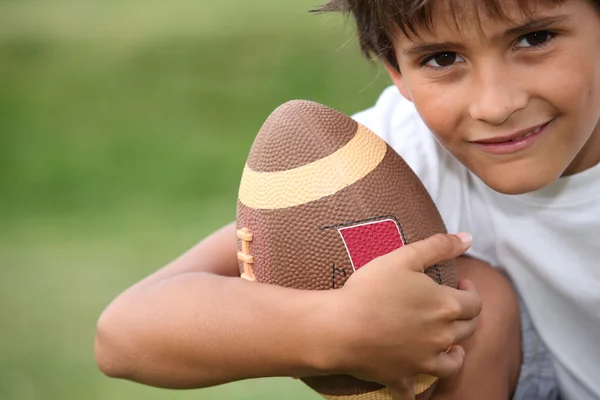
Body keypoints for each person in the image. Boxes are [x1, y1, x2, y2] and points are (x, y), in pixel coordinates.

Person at [94, 0, 600, 399]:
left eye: (535, 39)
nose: (495, 105)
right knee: (464, 300)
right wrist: (340, 327)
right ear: (396, 71)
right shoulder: (399, 157)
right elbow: (125, 333)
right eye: (442, 59)